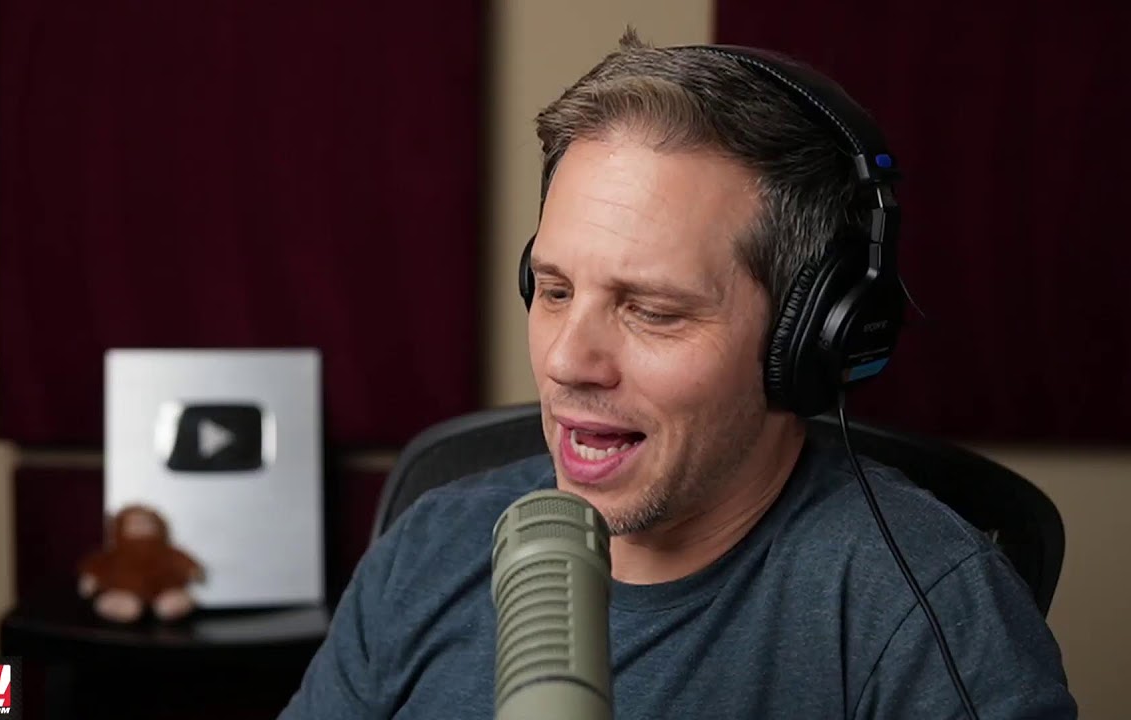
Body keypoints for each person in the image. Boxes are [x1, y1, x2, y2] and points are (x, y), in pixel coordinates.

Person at [279, 29, 1076, 719]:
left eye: (653, 311)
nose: (566, 362)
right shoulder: (428, 548)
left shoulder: (926, 608)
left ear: (804, 340)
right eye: (554, 291)